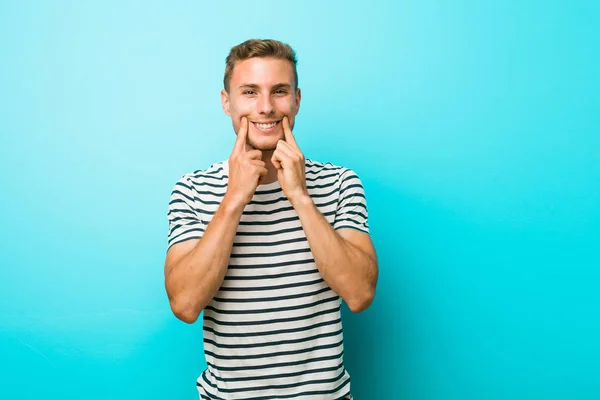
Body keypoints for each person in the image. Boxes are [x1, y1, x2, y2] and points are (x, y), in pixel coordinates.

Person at [164, 39, 378, 400]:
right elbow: (185, 305)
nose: (265, 108)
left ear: (296, 100)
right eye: (250, 92)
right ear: (226, 102)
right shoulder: (192, 190)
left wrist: (299, 195)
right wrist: (233, 200)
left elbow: (359, 294)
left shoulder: (341, 183)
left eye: (279, 91)